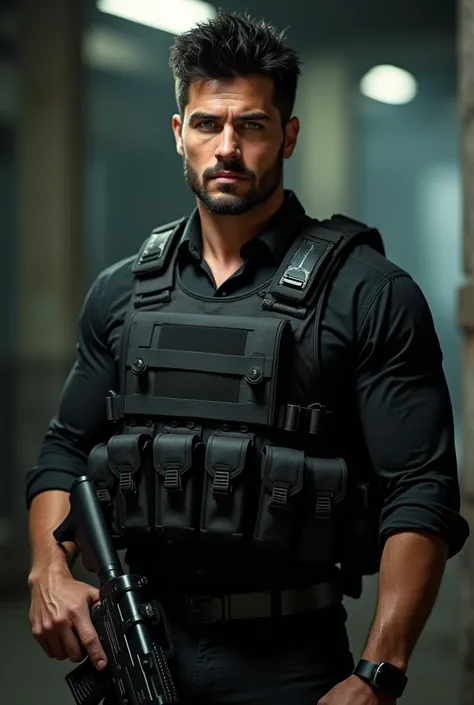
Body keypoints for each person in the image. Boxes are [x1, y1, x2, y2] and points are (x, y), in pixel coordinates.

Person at [26, 8, 469, 705]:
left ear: (287, 134)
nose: (227, 146)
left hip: (289, 661)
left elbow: (422, 491)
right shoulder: (119, 292)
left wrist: (379, 672)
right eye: (207, 124)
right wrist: (48, 567)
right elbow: (64, 449)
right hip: (138, 648)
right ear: (180, 133)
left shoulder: (368, 292)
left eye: (251, 125)